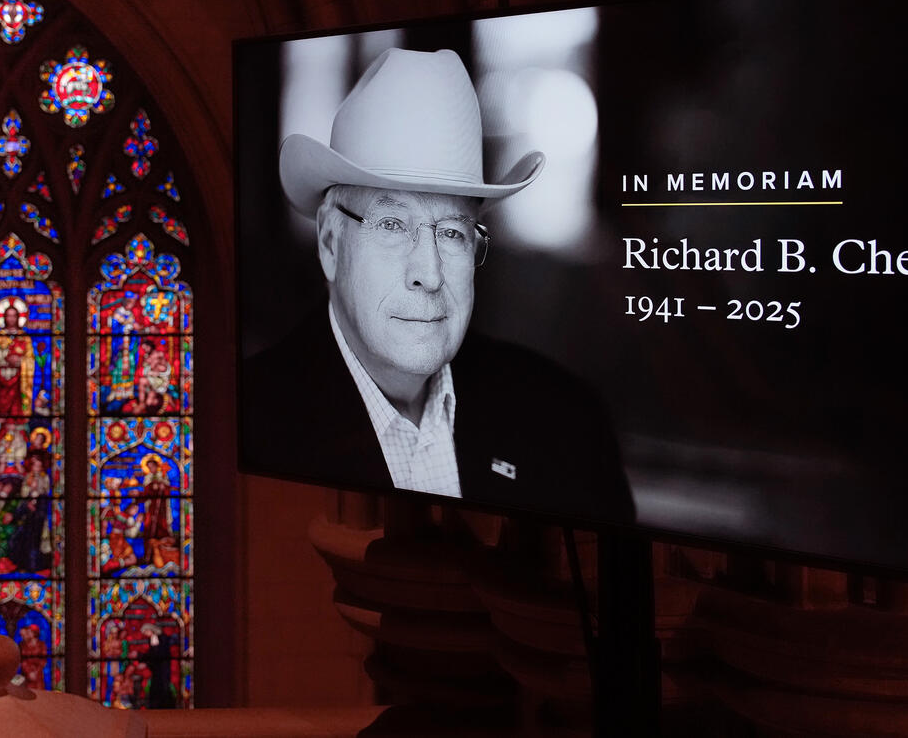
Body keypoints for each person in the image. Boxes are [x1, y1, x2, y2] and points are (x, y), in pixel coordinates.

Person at [243, 48, 634, 524]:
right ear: (329, 242)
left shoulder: (568, 421)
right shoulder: (246, 426)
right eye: (391, 225)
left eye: (452, 232)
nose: (428, 274)